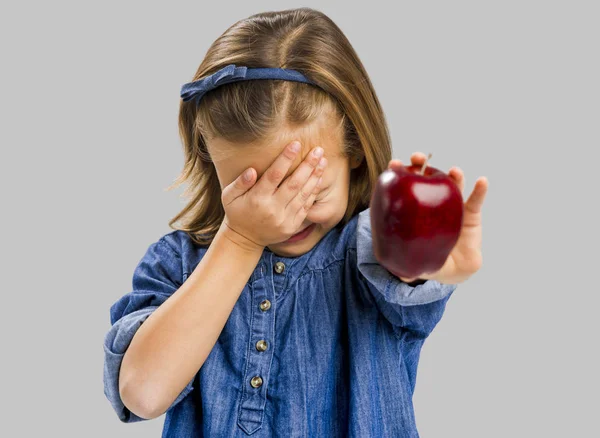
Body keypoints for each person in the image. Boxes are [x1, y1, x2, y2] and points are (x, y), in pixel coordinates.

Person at [103, 7, 488, 437]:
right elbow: (143, 393)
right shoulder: (177, 264)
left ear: (355, 151)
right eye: (250, 194)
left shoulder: (367, 254)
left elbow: (400, 274)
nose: (281, 218)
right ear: (212, 162)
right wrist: (239, 238)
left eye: (309, 192)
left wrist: (421, 250)